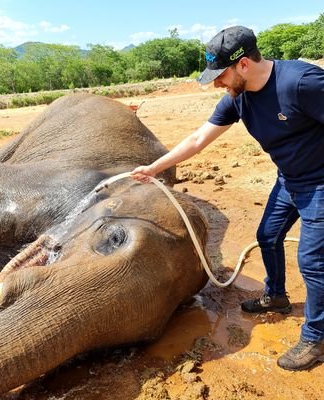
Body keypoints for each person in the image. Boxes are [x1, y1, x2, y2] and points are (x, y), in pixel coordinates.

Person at [131, 25, 324, 371]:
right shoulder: (239, 97)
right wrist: (154, 167)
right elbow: (197, 138)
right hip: (289, 180)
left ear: (244, 65)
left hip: (321, 185)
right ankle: (276, 296)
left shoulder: (301, 82)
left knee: (312, 262)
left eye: (220, 75)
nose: (217, 83)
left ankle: (316, 337)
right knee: (267, 236)